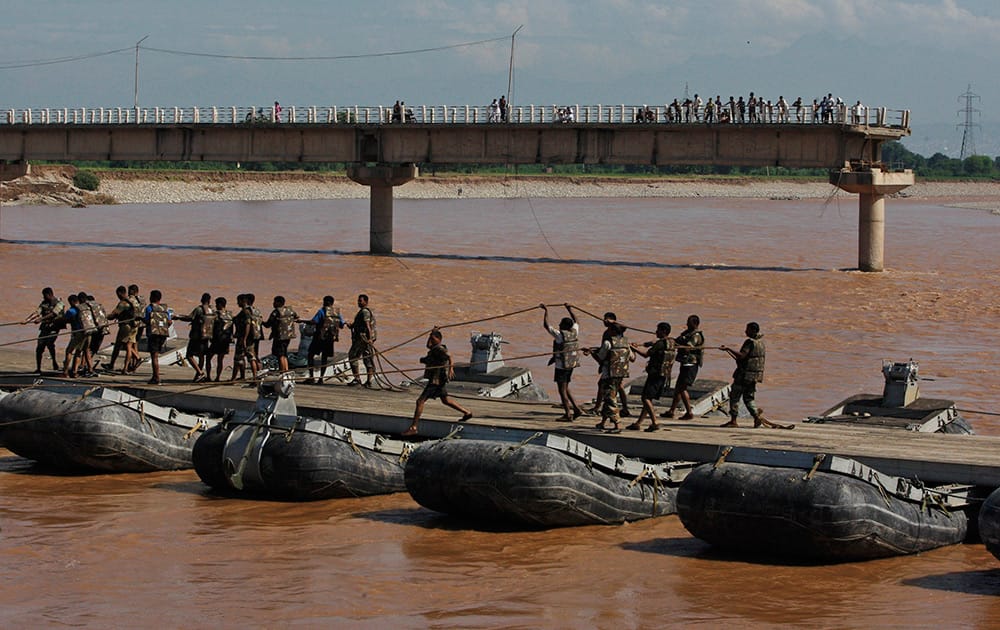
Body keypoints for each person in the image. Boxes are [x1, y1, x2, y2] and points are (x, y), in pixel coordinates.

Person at [401, 329, 472, 436]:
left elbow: (449, 356)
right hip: (439, 380)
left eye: (433, 338)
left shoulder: (439, 348)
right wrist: (433, 332)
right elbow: (428, 349)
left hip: (436, 380)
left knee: (420, 401)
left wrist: (451, 368)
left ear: (438, 339)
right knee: (445, 400)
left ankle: (414, 427)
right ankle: (467, 412)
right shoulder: (434, 348)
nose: (430, 340)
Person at [720, 322, 789, 429]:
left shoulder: (750, 342)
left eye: (747, 329)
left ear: (753, 330)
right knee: (749, 398)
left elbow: (742, 356)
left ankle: (733, 421)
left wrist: (728, 349)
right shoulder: (761, 343)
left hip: (744, 375)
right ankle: (756, 418)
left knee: (734, 397)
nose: (745, 331)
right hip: (754, 376)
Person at [583, 321, 634, 433]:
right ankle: (602, 422)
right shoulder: (626, 342)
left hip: (608, 375)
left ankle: (617, 425)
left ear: (613, 331)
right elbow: (632, 358)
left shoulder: (607, 343)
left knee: (610, 400)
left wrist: (591, 353)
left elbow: (600, 358)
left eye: (610, 329)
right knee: (608, 398)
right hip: (620, 374)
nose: (608, 331)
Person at [628, 322, 676, 432]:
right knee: (648, 398)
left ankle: (655, 422)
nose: (656, 332)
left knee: (645, 398)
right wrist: (649, 343)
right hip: (664, 375)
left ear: (663, 331)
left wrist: (632, 348)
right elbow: (657, 344)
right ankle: (638, 423)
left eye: (658, 330)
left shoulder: (659, 344)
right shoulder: (672, 342)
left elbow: (645, 355)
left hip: (655, 374)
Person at [542, 303, 583, 421]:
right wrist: (569, 309)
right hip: (571, 364)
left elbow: (546, 325)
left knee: (562, 390)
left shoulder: (560, 335)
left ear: (565, 326)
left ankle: (568, 414)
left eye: (561, 324)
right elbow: (577, 320)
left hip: (561, 366)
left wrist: (546, 311)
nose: (559, 325)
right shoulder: (575, 331)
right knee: (566, 387)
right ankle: (576, 409)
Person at [663, 314, 704, 420]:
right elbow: (677, 340)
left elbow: (688, 348)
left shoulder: (696, 336)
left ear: (695, 324)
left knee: (682, 388)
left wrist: (677, 346)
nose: (686, 324)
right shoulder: (687, 333)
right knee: (678, 388)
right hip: (685, 363)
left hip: (691, 364)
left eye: (689, 323)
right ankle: (671, 411)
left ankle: (689, 412)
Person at [302, 295, 343, 384]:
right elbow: (342, 325)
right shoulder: (337, 313)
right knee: (324, 358)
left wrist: (302, 321)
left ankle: (311, 377)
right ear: (332, 303)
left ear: (325, 302)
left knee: (310, 355)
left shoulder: (322, 311)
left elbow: (314, 321)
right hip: (330, 339)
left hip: (319, 338)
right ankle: (321, 379)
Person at [174, 293, 214, 382]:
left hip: (196, 337)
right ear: (209, 300)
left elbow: (189, 318)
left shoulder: (198, 309)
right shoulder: (211, 310)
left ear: (201, 299)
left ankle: (200, 373)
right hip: (206, 337)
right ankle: (198, 376)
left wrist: (178, 317)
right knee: (201, 356)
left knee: (189, 356)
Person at [23, 287, 65, 373]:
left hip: (54, 327)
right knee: (39, 347)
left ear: (49, 294)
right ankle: (38, 368)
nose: (43, 298)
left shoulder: (59, 303)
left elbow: (54, 314)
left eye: (44, 296)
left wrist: (41, 319)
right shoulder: (44, 303)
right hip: (45, 328)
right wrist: (27, 320)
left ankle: (54, 362)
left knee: (50, 343)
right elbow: (37, 312)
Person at [143, 290, 173, 385]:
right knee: (156, 355)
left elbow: (147, 320)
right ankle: (155, 376)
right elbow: (169, 322)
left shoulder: (149, 308)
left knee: (154, 356)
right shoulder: (165, 308)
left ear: (152, 297)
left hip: (153, 335)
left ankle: (156, 378)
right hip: (163, 335)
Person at [346, 293, 376, 387]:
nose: (358, 302)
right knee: (367, 357)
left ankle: (357, 379)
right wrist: (351, 325)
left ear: (366, 302)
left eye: (360, 300)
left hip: (363, 339)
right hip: (365, 339)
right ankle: (369, 381)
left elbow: (367, 326)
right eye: (358, 300)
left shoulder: (364, 312)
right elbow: (357, 324)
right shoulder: (362, 312)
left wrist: (370, 339)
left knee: (353, 356)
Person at [262, 295, 298, 374]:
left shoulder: (276, 312)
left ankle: (282, 371)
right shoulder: (290, 310)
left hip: (280, 337)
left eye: (274, 302)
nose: (273, 303)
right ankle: (286, 370)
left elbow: (268, 325)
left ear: (278, 303)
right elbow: (296, 317)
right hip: (288, 336)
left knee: (280, 355)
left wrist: (261, 321)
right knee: (284, 353)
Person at [106, 285, 137, 374]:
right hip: (134, 326)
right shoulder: (133, 301)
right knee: (129, 346)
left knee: (118, 346)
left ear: (119, 293)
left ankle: (112, 365)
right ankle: (127, 366)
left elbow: (113, 315)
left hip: (125, 327)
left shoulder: (123, 303)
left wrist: (104, 317)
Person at [58, 294, 87, 378]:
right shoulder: (84, 308)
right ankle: (75, 372)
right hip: (86, 332)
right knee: (78, 352)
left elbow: (64, 319)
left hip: (77, 333)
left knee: (69, 351)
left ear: (72, 301)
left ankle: (65, 372)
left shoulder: (72, 311)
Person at [205, 296, 233, 382]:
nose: (216, 306)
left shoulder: (216, 314)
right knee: (220, 360)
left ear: (220, 304)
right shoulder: (230, 314)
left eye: (217, 304)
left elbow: (210, 324)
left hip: (217, 340)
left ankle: (209, 377)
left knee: (208, 358)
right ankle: (217, 378)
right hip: (226, 341)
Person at [84, 293, 111, 372]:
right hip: (103, 329)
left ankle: (85, 365)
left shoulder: (88, 306)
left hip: (95, 330)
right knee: (94, 348)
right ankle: (88, 364)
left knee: (87, 348)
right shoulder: (100, 305)